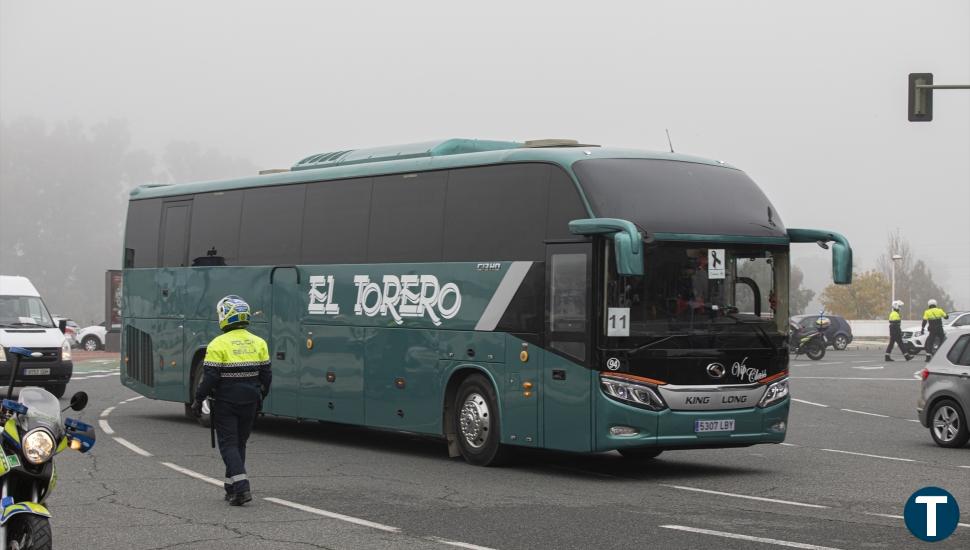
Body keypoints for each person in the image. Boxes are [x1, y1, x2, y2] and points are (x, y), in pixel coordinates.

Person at [191, 295, 272, 505]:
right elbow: (267, 376)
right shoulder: (259, 342)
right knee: (240, 444)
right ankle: (231, 488)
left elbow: (210, 378)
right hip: (250, 401)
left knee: (228, 445)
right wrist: (261, 395)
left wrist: (198, 400)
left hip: (226, 402)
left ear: (225, 317)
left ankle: (243, 489)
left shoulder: (218, 344)